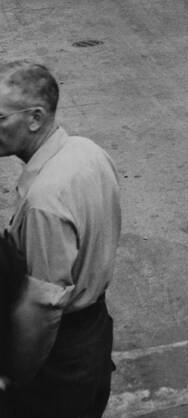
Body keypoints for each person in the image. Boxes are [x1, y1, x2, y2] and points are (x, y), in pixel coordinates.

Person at [0, 61, 121, 414]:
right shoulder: (88, 152)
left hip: (60, 355)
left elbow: (44, 306)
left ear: (35, 118)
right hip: (95, 330)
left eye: (0, 118)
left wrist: (15, 377)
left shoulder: (44, 202)